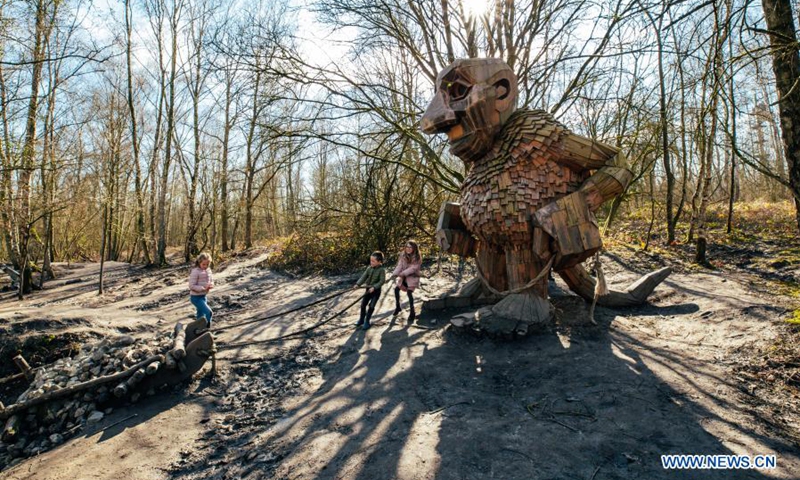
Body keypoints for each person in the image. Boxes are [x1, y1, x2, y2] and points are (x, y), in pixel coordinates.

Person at [354, 251, 386, 330]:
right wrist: (358, 284)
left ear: (379, 262)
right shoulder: (369, 268)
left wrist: (374, 287)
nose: (371, 262)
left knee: (371, 306)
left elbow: (382, 281)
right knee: (363, 304)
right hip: (368, 290)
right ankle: (361, 319)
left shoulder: (382, 270)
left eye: (373, 261)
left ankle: (367, 321)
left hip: (376, 291)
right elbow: (363, 277)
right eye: (370, 260)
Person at [392, 240, 421, 324]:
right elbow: (399, 265)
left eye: (410, 247)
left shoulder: (417, 257)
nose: (408, 249)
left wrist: (403, 273)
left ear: (414, 248)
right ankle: (398, 307)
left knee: (409, 293)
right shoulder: (403, 255)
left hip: (412, 277)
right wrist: (395, 273)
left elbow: (414, 268)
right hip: (403, 278)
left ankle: (412, 312)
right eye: (407, 247)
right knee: (396, 289)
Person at [189, 252, 214, 328]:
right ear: (199, 262)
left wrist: (211, 285)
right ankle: (207, 329)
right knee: (209, 312)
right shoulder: (195, 271)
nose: (205, 266)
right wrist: (203, 288)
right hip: (195, 298)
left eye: (207, 264)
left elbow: (211, 280)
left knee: (200, 316)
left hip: (203, 296)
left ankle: (198, 330)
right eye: (203, 264)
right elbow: (191, 285)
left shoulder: (208, 270)